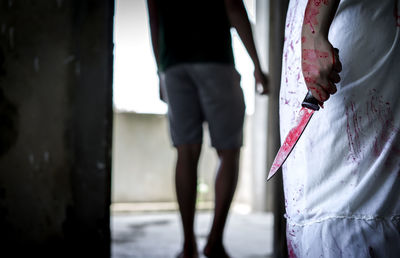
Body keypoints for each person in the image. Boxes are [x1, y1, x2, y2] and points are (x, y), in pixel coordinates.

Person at [146, 0, 268, 257]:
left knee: (186, 152)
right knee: (228, 150)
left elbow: (154, 21)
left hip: (174, 65)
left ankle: (188, 245)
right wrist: (257, 64)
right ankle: (214, 242)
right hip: (215, 60)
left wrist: (161, 73)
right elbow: (234, 8)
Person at [280, 0, 400, 256]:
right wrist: (312, 32)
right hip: (335, 30)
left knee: (350, 211)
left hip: (337, 27)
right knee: (334, 212)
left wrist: (313, 30)